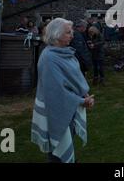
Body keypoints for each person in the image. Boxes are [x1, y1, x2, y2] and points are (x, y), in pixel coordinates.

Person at [31, 18, 95, 163]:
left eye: (71, 31)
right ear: (56, 35)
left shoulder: (65, 53)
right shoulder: (49, 58)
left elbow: (74, 78)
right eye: (68, 32)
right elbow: (55, 92)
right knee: (57, 149)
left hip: (69, 108)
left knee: (68, 139)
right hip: (57, 110)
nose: (72, 35)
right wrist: (82, 101)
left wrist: (84, 94)